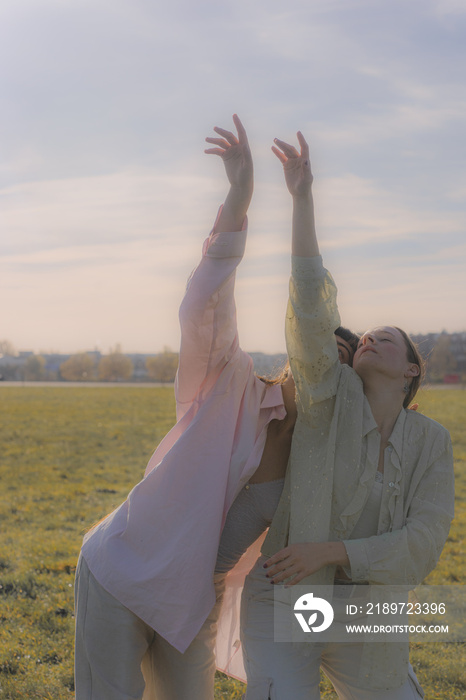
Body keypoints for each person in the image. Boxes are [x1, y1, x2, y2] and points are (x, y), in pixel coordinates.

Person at [73, 116, 359, 700]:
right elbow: (204, 301)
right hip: (122, 574)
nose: (322, 365)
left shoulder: (319, 457)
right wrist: (240, 195)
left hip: (193, 605)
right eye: (317, 348)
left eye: (339, 364)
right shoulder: (227, 380)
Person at [240, 132, 455, 699]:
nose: (372, 338)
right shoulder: (325, 396)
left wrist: (332, 553)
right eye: (366, 336)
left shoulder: (431, 441)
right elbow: (311, 303)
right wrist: (301, 198)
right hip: (286, 598)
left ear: (412, 371)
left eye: (389, 339)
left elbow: (425, 541)